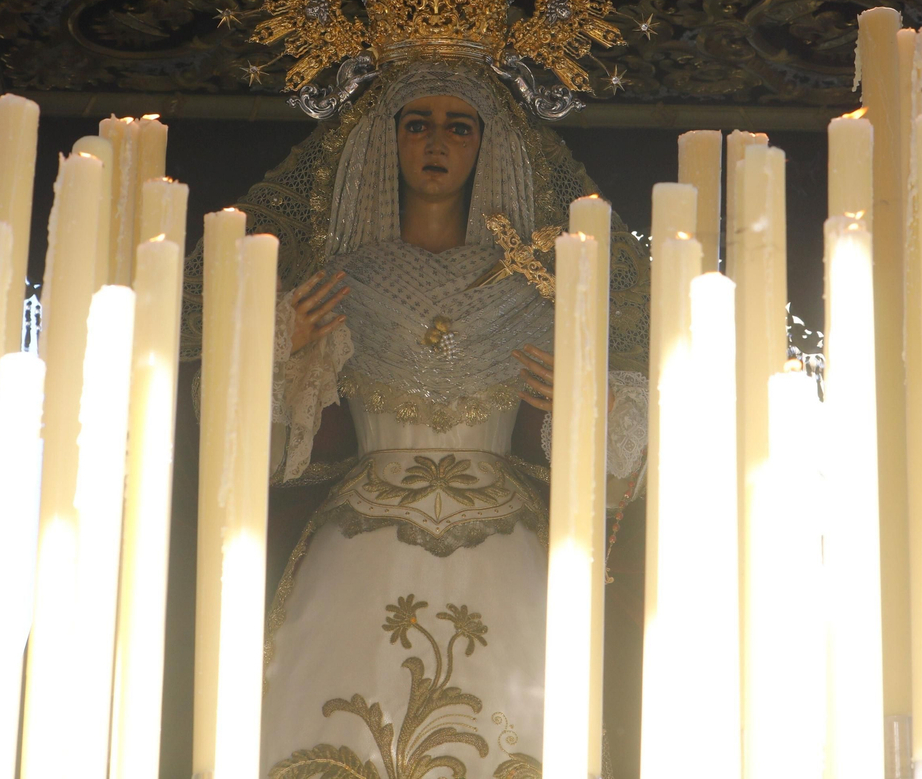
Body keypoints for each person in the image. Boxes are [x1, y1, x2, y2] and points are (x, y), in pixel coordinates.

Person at [243, 59, 650, 777]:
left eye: (459, 127)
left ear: (487, 146)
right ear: (388, 141)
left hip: (508, 545)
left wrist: (597, 404)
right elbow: (264, 448)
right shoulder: (345, 283)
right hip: (358, 542)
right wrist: (279, 349)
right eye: (417, 124)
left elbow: (610, 462)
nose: (436, 142)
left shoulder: (535, 292)